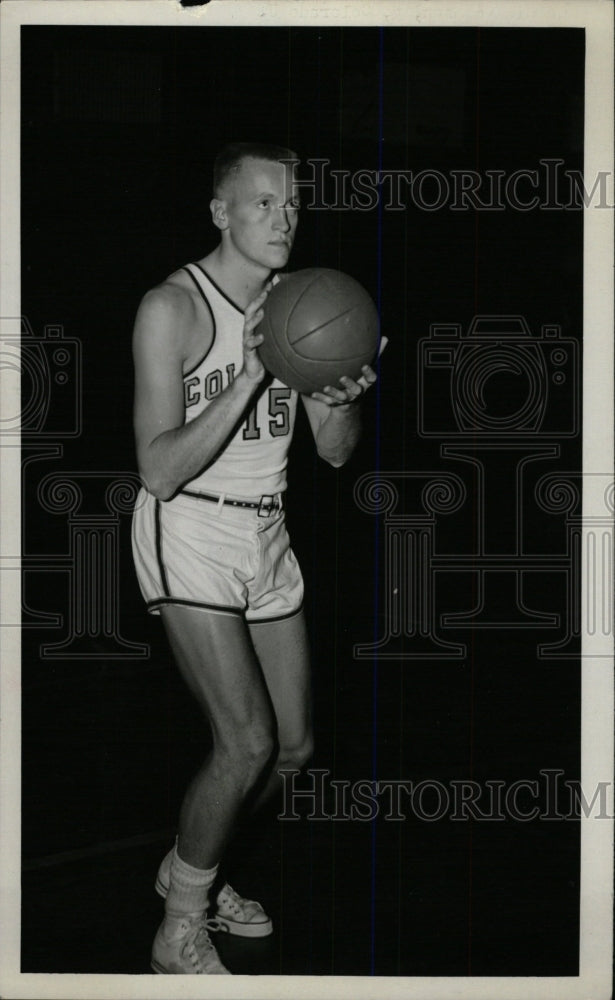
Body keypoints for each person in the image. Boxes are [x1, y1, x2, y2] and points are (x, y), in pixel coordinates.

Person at [131, 141, 379, 975]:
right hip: (188, 526)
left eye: (294, 203)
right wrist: (249, 372)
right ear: (219, 213)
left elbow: (336, 455)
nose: (284, 218)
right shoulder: (172, 308)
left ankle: (191, 864)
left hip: (265, 530)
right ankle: (180, 928)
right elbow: (159, 468)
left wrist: (336, 398)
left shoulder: (307, 302)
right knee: (242, 740)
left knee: (296, 749)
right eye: (263, 202)